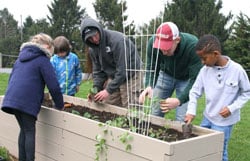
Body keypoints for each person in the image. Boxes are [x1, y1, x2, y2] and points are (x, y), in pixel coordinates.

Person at [185, 34, 250, 161]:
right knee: (204, 148)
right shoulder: (204, 71)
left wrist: (232, 108)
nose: (202, 62)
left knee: (220, 151)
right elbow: (194, 92)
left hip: (224, 122)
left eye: (204, 58)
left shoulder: (237, 70)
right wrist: (191, 111)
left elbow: (247, 92)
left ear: (216, 53)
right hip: (208, 117)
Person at [1, 33, 64, 161]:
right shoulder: (42, 60)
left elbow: (11, 79)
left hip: (13, 100)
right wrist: (60, 105)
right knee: (29, 131)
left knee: (24, 130)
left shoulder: (20, 59)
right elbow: (54, 86)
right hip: (26, 101)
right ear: (47, 46)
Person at [139, 22, 203, 121]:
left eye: (167, 48)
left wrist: (179, 100)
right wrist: (149, 85)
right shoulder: (153, 43)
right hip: (165, 75)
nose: (163, 52)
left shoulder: (193, 45)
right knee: (156, 112)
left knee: (182, 118)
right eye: (161, 48)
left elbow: (195, 79)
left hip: (186, 79)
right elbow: (151, 67)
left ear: (177, 40)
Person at [80, 17, 142, 107]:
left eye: (95, 35)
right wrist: (95, 90)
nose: (94, 39)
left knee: (131, 108)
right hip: (113, 75)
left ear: (99, 29)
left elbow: (122, 70)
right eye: (90, 38)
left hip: (131, 74)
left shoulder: (117, 41)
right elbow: (98, 72)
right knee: (107, 105)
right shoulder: (92, 49)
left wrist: (108, 90)